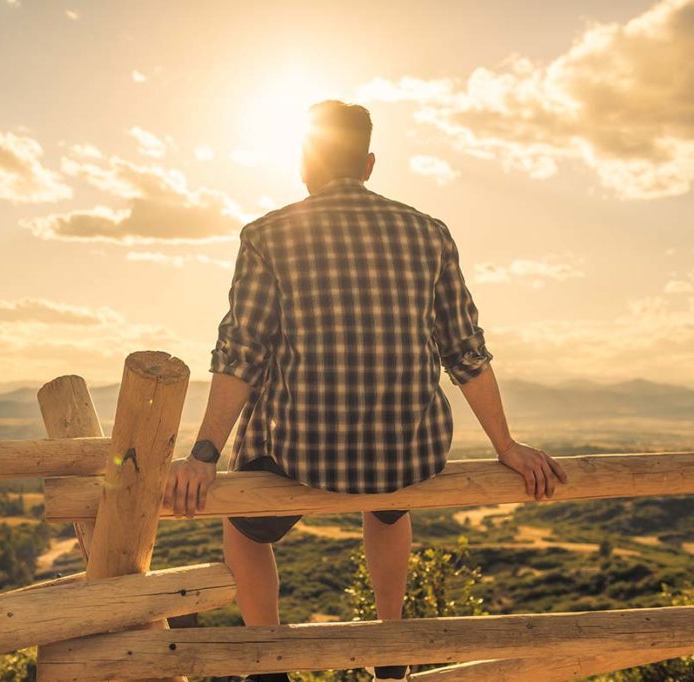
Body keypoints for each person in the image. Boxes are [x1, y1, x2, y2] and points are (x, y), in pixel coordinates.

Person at [162, 99, 569, 682]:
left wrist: (203, 455)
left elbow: (242, 353)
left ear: (304, 164)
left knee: (244, 527)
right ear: (370, 163)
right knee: (386, 508)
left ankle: (270, 662)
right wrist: (506, 445)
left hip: (302, 452)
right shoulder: (429, 233)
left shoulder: (267, 234)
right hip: (404, 452)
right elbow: (465, 351)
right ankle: (389, 648)